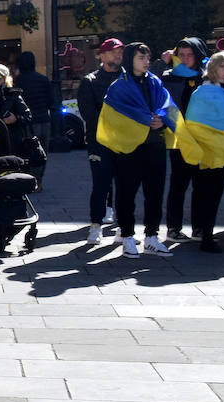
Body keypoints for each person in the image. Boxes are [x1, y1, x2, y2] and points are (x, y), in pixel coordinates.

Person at [106, 42, 173, 258]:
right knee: (126, 192)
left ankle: (151, 237)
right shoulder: (119, 86)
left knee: (155, 192)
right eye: (140, 58)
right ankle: (126, 235)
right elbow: (114, 117)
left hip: (155, 145)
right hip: (129, 149)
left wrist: (161, 120)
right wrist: (145, 119)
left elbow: (167, 107)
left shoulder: (155, 82)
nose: (146, 62)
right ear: (129, 60)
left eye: (147, 57)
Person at [188, 51, 224, 252]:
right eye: (223, 67)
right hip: (216, 154)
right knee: (211, 198)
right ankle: (207, 238)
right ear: (213, 69)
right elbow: (195, 124)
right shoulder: (203, 93)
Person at [163, 37, 210, 242]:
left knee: (202, 185)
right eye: (180, 55)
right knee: (178, 185)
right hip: (180, 139)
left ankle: (199, 227)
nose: (185, 58)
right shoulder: (169, 76)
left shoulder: (208, 77)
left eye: (189, 54)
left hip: (203, 139)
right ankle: (173, 228)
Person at [79, 38, 122, 245]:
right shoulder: (90, 81)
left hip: (126, 141)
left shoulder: (127, 78)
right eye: (114, 52)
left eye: (120, 51)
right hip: (99, 142)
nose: (118, 55)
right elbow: (89, 113)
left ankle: (123, 227)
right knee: (101, 185)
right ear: (102, 55)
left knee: (124, 186)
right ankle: (96, 226)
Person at [15, 51, 57, 157]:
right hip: (44, 120)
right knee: (43, 154)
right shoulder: (43, 79)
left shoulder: (18, 81)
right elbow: (51, 101)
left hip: (28, 123)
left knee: (29, 153)